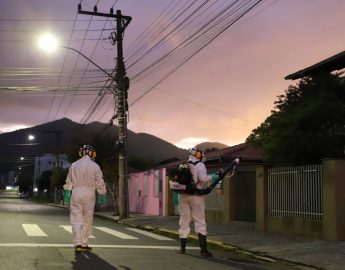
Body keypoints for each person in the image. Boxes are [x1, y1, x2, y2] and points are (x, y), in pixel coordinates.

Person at [63, 144, 107, 254]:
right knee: (88, 220)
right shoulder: (95, 166)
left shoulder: (74, 165)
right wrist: (102, 195)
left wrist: (67, 195)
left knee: (76, 219)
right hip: (89, 193)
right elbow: (100, 182)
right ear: (92, 154)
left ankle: (77, 243)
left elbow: (69, 181)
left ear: (81, 153)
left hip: (76, 192)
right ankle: (85, 243)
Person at [177, 146, 218, 257]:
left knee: (184, 221)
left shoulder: (184, 165)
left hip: (183, 196)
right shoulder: (200, 164)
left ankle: (182, 249)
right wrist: (213, 176)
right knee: (200, 221)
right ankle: (203, 251)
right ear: (198, 155)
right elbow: (202, 178)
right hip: (196, 195)